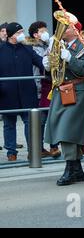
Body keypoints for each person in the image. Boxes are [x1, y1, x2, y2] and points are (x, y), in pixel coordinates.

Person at [43, 20, 84, 185]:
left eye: (66, 26)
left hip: (77, 91)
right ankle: (77, 169)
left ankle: (70, 168)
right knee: (65, 129)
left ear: (74, 29)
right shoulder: (59, 45)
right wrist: (48, 65)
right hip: (61, 90)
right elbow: (52, 72)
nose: (61, 29)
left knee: (68, 130)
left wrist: (71, 59)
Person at [0, 22, 44, 161]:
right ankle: (11, 152)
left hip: (27, 92)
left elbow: (41, 63)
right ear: (11, 35)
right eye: (19, 33)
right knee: (9, 123)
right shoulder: (1, 50)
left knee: (29, 122)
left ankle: (33, 151)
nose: (22, 35)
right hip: (7, 94)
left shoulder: (27, 49)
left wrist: (49, 62)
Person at [28, 21, 61, 158]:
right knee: (40, 120)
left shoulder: (50, 45)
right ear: (35, 34)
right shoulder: (32, 48)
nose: (45, 33)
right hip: (39, 86)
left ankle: (54, 146)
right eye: (42, 31)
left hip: (51, 85)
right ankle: (38, 148)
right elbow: (41, 65)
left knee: (53, 118)